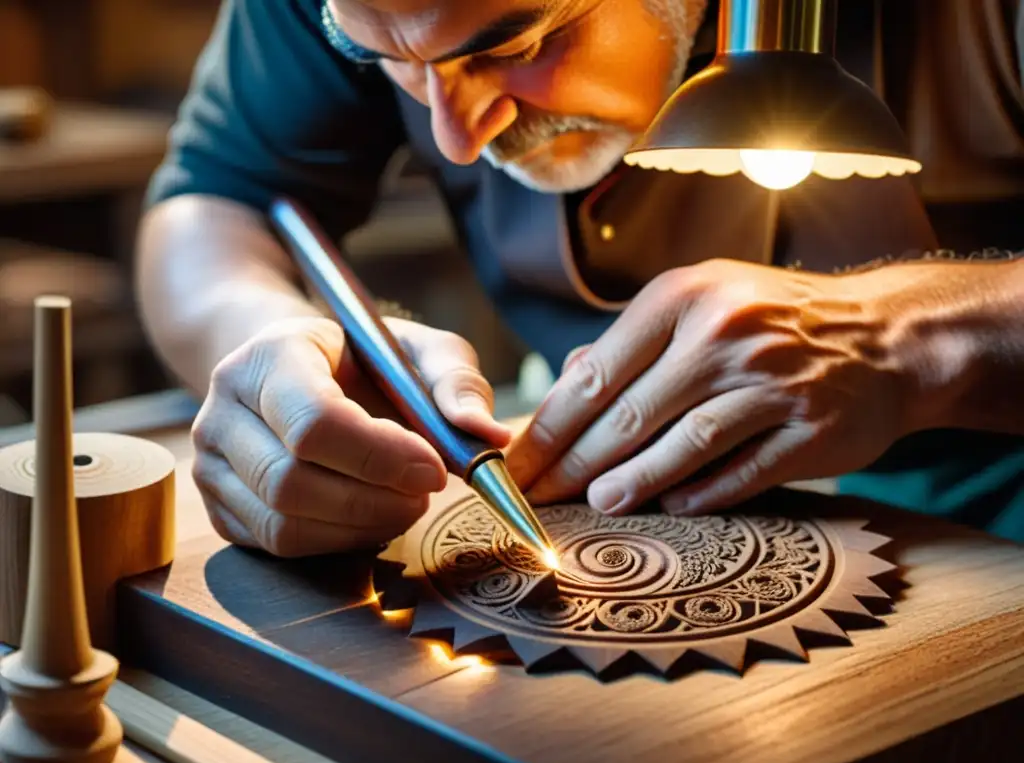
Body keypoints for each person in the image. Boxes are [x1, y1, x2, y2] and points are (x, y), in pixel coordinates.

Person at [136, 0, 1024, 557]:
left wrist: (915, 335)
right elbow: (215, 202)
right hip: (624, 514)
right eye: (390, 64)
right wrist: (271, 348)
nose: (456, 134)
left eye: (522, 40)